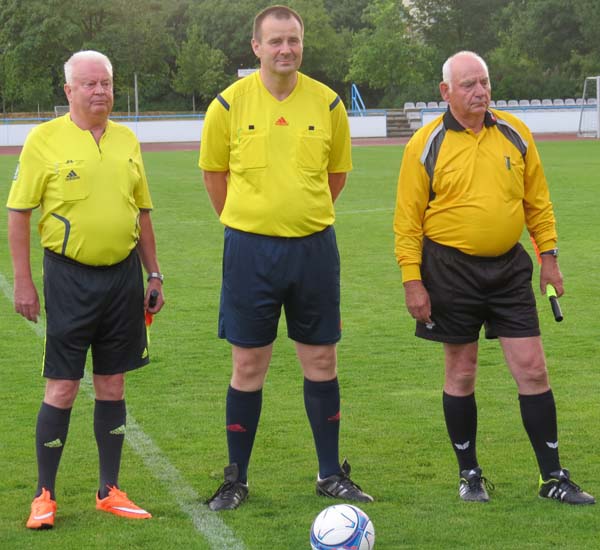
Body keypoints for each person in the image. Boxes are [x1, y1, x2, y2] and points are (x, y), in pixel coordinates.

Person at [393, 50, 594, 505]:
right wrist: (412, 280)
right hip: (448, 271)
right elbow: (407, 222)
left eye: (483, 82)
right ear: (445, 92)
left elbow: (537, 203)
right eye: (468, 85)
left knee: (533, 368)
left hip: (509, 269)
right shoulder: (425, 144)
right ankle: (470, 474)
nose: (480, 91)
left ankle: (552, 478)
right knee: (461, 372)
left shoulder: (515, 133)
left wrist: (550, 257)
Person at [199, 5, 372, 511]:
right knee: (248, 363)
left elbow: (335, 176)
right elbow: (215, 176)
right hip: (250, 251)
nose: (285, 49)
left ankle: (328, 474)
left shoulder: (329, 103)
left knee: (321, 358)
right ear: (256, 46)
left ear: (302, 43)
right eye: (275, 41)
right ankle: (237, 478)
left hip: (314, 248)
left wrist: (300, 216)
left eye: (293, 40)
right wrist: (253, 220)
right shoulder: (227, 106)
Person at [7, 50, 165, 529]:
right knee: (63, 385)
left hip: (123, 277)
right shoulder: (43, 140)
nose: (100, 92)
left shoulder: (127, 139)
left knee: (112, 382)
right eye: (90, 84)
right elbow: (19, 214)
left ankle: (109, 489)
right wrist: (22, 281)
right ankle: (44, 495)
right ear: (69, 90)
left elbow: (142, 212)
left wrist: (153, 274)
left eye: (107, 84)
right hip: (68, 277)